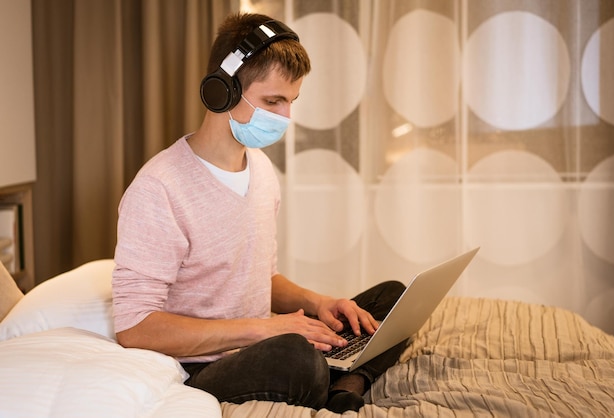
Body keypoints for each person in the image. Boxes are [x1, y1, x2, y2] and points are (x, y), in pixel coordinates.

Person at [112, 12, 406, 413]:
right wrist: (265, 330)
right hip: (205, 367)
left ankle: (344, 384)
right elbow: (134, 327)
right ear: (222, 91)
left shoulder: (262, 170)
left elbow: (258, 278)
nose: (285, 117)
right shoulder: (158, 188)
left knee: (392, 299)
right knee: (295, 357)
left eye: (291, 102)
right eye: (273, 101)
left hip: (261, 342)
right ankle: (344, 378)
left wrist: (318, 303)